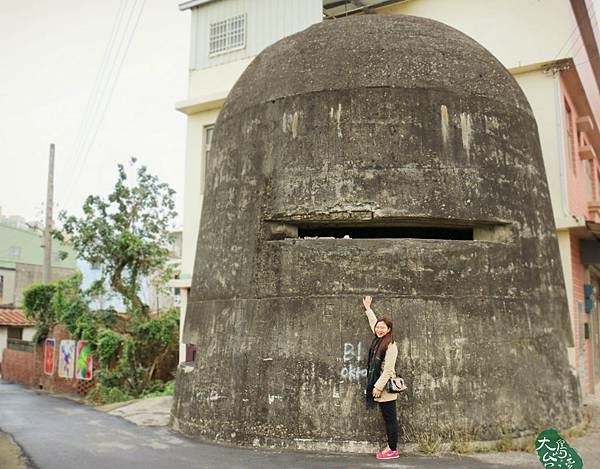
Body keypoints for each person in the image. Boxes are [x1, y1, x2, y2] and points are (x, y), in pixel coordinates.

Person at [363, 295, 400, 460]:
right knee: (387, 418)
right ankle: (391, 447)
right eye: (378, 327)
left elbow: (388, 370)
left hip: (385, 388)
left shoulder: (390, 345)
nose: (379, 329)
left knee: (390, 419)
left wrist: (377, 387)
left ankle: (393, 450)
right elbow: (373, 323)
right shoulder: (379, 340)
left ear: (389, 329)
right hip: (380, 386)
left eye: (383, 327)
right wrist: (368, 308)